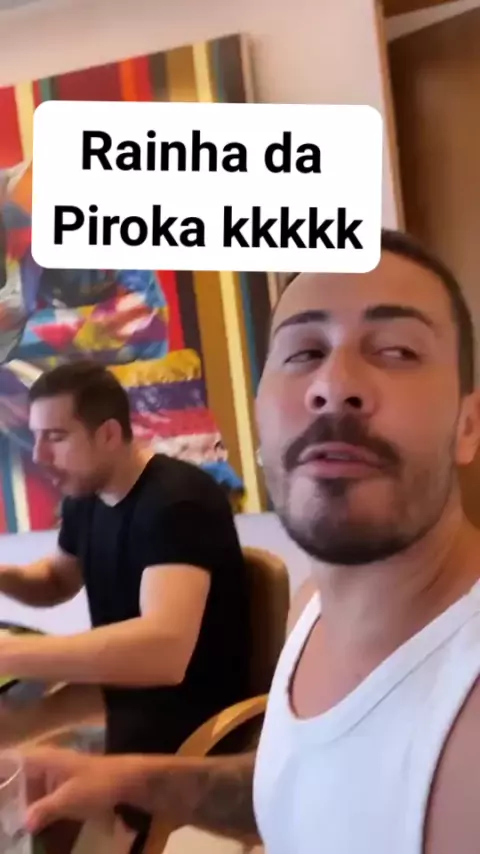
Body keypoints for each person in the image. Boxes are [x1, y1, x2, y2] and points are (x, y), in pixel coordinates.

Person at [24, 228, 480, 854]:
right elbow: (307, 785)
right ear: (261, 414)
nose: (333, 384)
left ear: (467, 425)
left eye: (398, 350)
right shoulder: (311, 609)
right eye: (303, 352)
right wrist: (124, 778)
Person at [0, 360, 250, 843]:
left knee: (16, 755)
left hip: (184, 713)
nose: (40, 456)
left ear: (109, 434)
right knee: (7, 723)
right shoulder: (85, 496)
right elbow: (55, 581)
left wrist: (9, 654)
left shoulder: (177, 502)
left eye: (56, 437)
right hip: (124, 693)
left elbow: (163, 651)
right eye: (36, 437)